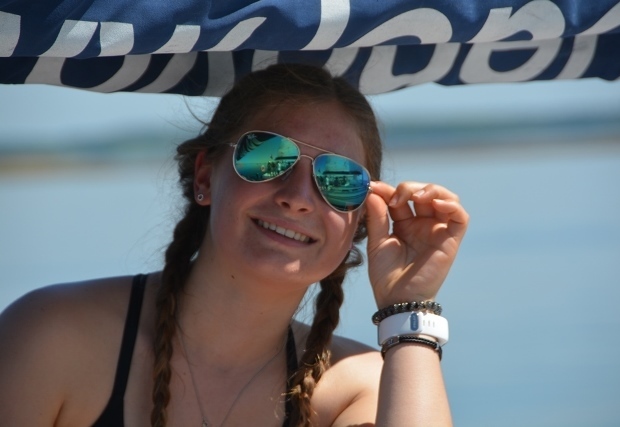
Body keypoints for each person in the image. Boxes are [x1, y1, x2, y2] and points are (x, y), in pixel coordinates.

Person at [0, 63, 468, 426]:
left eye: (338, 179)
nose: (298, 197)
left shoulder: (357, 386)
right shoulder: (54, 338)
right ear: (206, 176)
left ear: (361, 218)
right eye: (267, 156)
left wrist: (410, 308)